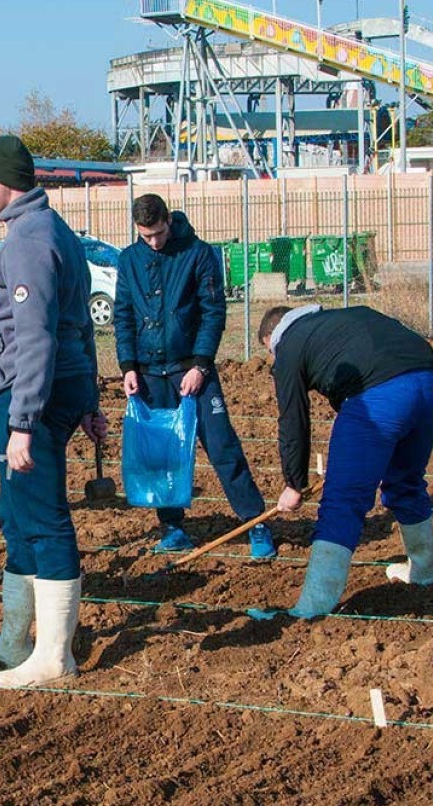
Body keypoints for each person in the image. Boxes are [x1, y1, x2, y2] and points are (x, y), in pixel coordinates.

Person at [0, 135, 107, 689]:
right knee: (20, 514)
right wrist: (90, 401)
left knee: (43, 516)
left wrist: (21, 422)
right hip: (54, 387)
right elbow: (81, 325)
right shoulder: (56, 231)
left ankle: (53, 657)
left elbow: (36, 335)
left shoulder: (28, 238)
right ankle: (16, 637)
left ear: (5, 181)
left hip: (33, 395)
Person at [252, 304, 433, 620]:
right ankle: (423, 572)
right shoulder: (341, 319)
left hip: (379, 396)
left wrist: (294, 483)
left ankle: (311, 609)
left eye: (270, 353)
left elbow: (293, 420)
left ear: (273, 336)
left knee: (342, 502)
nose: (275, 359)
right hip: (428, 384)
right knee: (405, 482)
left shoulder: (288, 342)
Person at [112, 193, 274, 558]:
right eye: (145, 235)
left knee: (222, 446)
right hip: (150, 373)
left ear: (169, 220)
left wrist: (200, 364)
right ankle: (173, 526)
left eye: (158, 233)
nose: (153, 241)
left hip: (192, 369)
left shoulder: (198, 254)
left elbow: (213, 312)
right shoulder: (130, 259)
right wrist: (128, 367)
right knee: (162, 455)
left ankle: (256, 523)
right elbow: (123, 315)